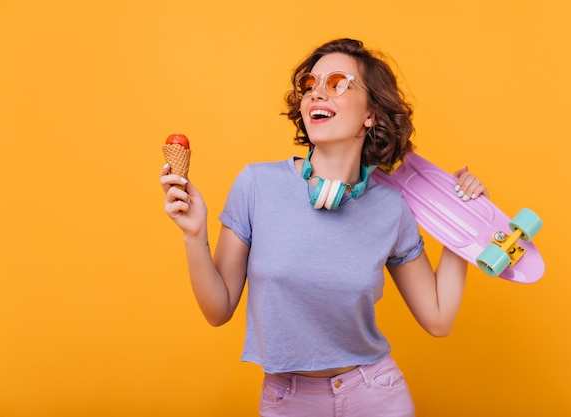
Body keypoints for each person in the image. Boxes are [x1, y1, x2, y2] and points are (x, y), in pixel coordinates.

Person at [160, 38, 488, 417]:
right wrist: (194, 234)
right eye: (309, 84)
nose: (316, 93)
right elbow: (217, 310)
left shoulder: (390, 207)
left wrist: (463, 224)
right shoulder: (256, 185)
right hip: (288, 399)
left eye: (337, 83)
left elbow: (438, 317)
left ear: (371, 114)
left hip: (375, 394)